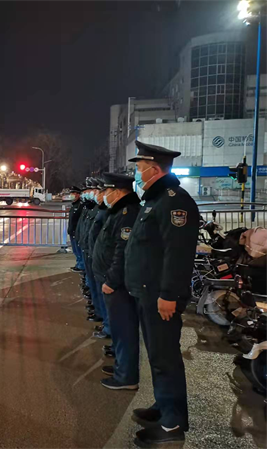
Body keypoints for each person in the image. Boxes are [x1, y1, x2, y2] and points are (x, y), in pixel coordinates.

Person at [124, 141, 199, 448]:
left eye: (140, 169)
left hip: (160, 296)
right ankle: (164, 405)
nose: (137, 174)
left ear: (154, 170)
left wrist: (169, 294)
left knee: (165, 358)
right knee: (157, 356)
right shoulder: (155, 200)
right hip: (148, 293)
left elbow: (177, 253)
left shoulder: (173, 201)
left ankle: (172, 424)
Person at [92, 173, 141, 390]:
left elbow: (122, 252)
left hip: (118, 284)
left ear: (118, 191)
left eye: (107, 190)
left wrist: (111, 280)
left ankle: (126, 376)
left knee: (124, 329)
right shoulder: (119, 211)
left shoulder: (127, 213)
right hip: (112, 280)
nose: (104, 194)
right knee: (120, 329)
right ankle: (122, 367)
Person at [87, 180, 110, 338]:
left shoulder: (109, 212)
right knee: (98, 292)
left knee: (108, 301)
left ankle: (108, 327)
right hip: (94, 255)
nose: (95, 195)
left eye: (98, 192)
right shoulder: (99, 209)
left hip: (104, 263)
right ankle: (102, 316)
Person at [67, 186, 85, 273]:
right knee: (75, 250)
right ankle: (78, 264)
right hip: (72, 231)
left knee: (78, 250)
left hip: (77, 232)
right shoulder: (74, 205)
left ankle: (81, 265)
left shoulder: (80, 205)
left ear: (78, 194)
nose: (71, 195)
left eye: (73, 193)